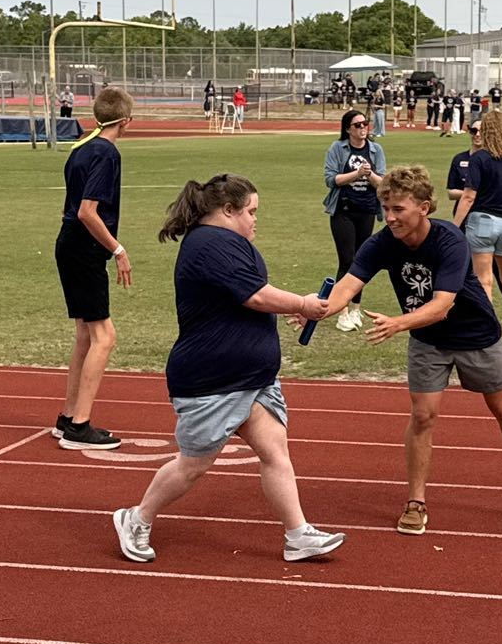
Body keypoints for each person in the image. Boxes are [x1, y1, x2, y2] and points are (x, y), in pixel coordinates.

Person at [303, 164, 502, 536]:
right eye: (385, 208)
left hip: (475, 335)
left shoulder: (450, 240)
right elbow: (347, 286)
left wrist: (398, 323)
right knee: (422, 416)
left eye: (398, 209)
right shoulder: (382, 242)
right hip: (428, 341)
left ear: (424, 207)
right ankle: (415, 501)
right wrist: (315, 309)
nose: (389, 217)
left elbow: (442, 305)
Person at [113, 174, 345, 565]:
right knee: (193, 465)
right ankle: (135, 518)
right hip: (213, 380)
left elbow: (255, 296)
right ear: (227, 210)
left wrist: (294, 307)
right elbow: (255, 296)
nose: (256, 220)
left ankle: (297, 534)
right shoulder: (209, 245)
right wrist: (302, 305)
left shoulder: (228, 243)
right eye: (251, 212)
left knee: (275, 452)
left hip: (251, 379)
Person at [53, 87, 134, 450]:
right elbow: (88, 211)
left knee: (86, 334)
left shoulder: (81, 146)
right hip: (84, 248)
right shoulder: (106, 151)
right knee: (105, 336)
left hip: (70, 243)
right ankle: (79, 427)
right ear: (127, 121)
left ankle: (69, 417)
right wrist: (117, 249)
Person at [452, 110, 502, 353]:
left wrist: (454, 226)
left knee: (484, 280)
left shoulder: (480, 158)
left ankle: (488, 332)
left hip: (483, 220)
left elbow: (468, 196)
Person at [323, 110, 386, 332]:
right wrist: (356, 174)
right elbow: (331, 179)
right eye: (357, 125)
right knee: (347, 260)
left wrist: (369, 175)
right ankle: (343, 312)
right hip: (344, 210)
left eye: (365, 124)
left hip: (367, 210)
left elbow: (382, 183)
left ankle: (356, 308)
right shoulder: (337, 149)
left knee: (361, 260)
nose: (362, 128)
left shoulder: (376, 150)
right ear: (348, 129)